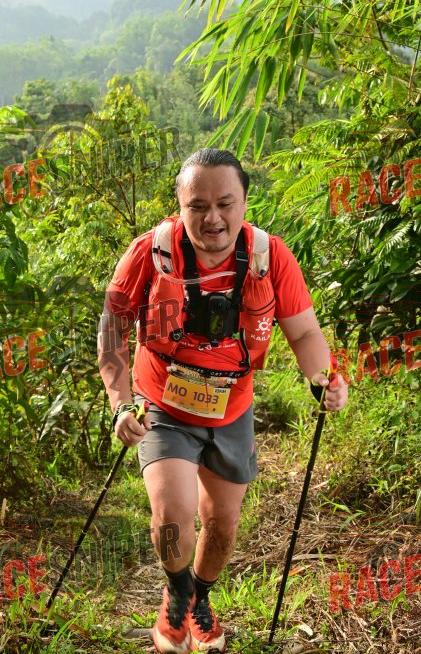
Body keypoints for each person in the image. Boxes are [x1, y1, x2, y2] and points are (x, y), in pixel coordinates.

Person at [98, 149, 348, 654]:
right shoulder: (150, 253)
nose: (212, 218)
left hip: (231, 406)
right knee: (174, 517)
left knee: (222, 526)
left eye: (225, 204)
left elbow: (303, 332)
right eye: (198, 206)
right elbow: (112, 331)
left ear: (244, 202)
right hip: (163, 402)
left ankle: (201, 599)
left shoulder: (270, 257)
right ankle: (177, 594)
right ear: (180, 206)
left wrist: (322, 378)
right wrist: (121, 404)